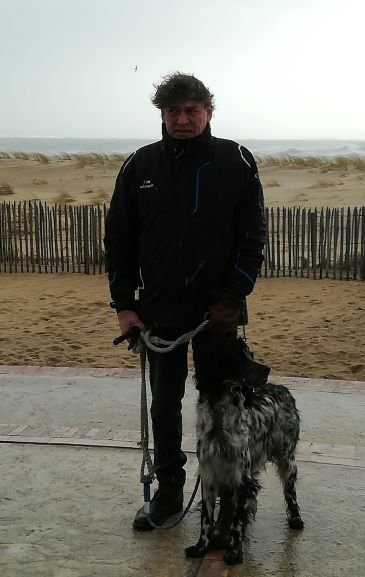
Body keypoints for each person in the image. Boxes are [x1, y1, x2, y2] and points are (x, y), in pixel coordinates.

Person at [104, 72, 266, 530]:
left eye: (191, 110)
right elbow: (119, 240)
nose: (181, 119)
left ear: (208, 112)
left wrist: (233, 296)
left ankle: (225, 498)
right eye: (172, 111)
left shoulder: (236, 160)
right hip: (160, 310)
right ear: (162, 114)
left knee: (221, 407)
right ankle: (170, 491)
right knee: (164, 406)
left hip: (218, 312)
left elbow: (253, 237)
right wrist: (125, 306)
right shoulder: (139, 166)